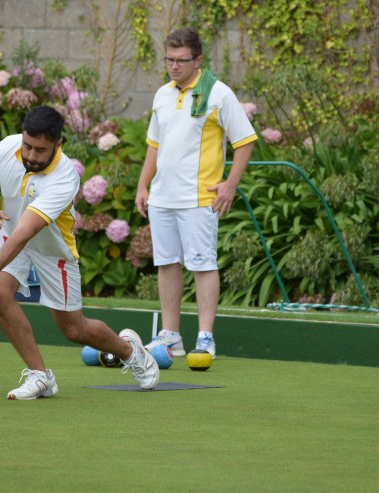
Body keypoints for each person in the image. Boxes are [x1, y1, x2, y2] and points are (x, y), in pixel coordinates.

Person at [0, 105, 159, 398]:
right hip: (8, 233)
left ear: (58, 143)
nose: (30, 155)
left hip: (51, 249)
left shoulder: (64, 178)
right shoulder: (6, 148)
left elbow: (26, 232)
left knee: (74, 330)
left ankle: (130, 351)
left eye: (40, 150)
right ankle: (40, 376)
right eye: (27, 146)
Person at [135, 27, 257, 360]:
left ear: (198, 60)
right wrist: (143, 185)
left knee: (203, 265)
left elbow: (245, 140)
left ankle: (205, 338)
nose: (173, 66)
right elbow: (154, 145)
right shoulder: (162, 94)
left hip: (200, 198)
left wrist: (230, 184)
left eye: (181, 60)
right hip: (161, 198)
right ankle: (171, 337)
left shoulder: (218, 93)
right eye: (169, 59)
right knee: (166, 264)